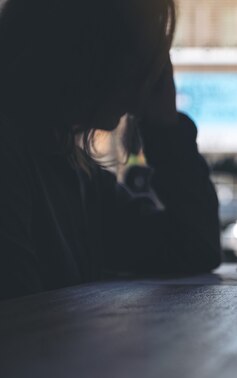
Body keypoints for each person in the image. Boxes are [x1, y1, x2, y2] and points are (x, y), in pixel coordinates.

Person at [0, 0, 222, 300]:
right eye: (139, 63)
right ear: (90, 52)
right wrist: (164, 124)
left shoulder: (71, 171)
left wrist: (165, 125)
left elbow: (193, 248)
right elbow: (17, 324)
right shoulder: (20, 160)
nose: (141, 91)